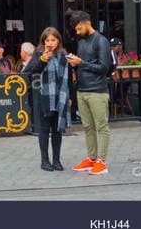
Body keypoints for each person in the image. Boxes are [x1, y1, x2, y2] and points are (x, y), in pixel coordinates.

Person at [67, 11, 112, 175]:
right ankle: (92, 158)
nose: (77, 32)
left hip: (97, 91)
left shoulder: (101, 41)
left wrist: (82, 63)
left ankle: (102, 161)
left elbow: (104, 67)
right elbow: (85, 64)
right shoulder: (82, 41)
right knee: (87, 127)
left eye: (79, 28)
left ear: (87, 23)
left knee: (101, 127)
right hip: (82, 89)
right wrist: (75, 62)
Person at [25, 27, 70, 171]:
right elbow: (29, 71)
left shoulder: (63, 55)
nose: (50, 43)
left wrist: (70, 97)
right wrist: (43, 60)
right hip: (43, 97)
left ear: (58, 41)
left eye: (53, 40)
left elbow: (67, 78)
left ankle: (56, 160)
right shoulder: (38, 54)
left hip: (59, 97)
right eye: (47, 40)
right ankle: (45, 161)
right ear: (43, 41)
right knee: (44, 130)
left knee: (57, 130)